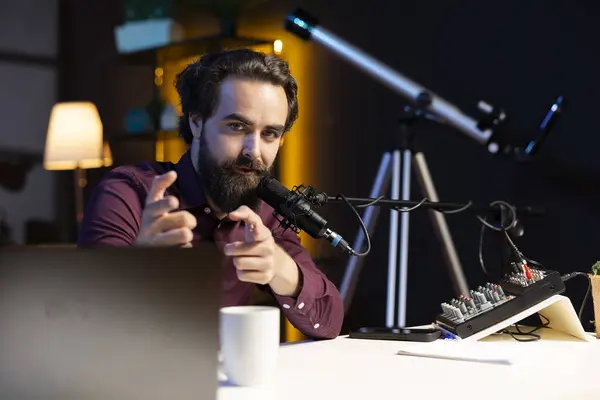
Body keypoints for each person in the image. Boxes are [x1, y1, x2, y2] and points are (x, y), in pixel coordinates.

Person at [78, 49, 344, 339]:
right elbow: (87, 320)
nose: (252, 150)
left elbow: (330, 321)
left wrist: (281, 268)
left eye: (269, 134)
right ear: (196, 122)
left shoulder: (268, 214)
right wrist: (143, 267)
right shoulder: (128, 192)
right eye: (236, 126)